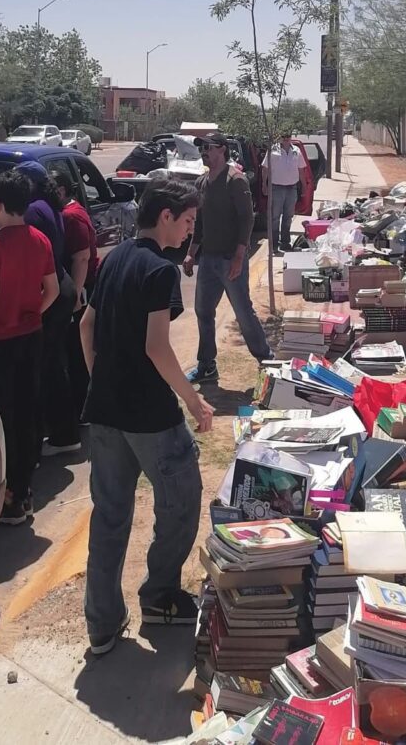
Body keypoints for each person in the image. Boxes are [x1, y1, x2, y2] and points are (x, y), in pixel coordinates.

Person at [80, 179, 213, 656]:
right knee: (181, 502)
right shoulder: (160, 270)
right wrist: (194, 401)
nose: (190, 231)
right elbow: (157, 347)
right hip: (151, 417)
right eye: (188, 221)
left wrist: (102, 380)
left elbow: (86, 326)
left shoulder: (114, 258)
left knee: (109, 516)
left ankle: (101, 625)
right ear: (166, 216)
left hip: (105, 411)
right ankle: (159, 597)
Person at [0, 170, 60, 524]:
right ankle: (23, 491)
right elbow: (53, 291)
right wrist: (33, 312)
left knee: (2, 418)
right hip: (31, 336)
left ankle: (6, 496)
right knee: (27, 412)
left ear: (1, 205)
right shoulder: (40, 240)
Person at [184, 133, 273, 384]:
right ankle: (207, 365)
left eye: (208, 147)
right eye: (201, 148)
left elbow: (247, 219)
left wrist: (239, 256)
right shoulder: (201, 182)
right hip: (208, 260)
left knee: (243, 312)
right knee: (203, 311)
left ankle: (267, 360)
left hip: (230, 260)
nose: (203, 151)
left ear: (222, 149)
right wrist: (191, 253)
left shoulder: (235, 180)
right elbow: (200, 223)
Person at [14, 162, 80, 460]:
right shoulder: (48, 206)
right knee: (55, 363)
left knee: (46, 367)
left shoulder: (32, 211)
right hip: (61, 285)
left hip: (50, 291)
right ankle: (63, 432)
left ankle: (60, 434)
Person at [54, 165, 99, 444]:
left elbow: (82, 257)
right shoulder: (71, 213)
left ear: (61, 190)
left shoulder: (72, 216)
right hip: (80, 290)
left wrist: (76, 297)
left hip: (82, 290)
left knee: (77, 353)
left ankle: (84, 410)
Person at [262, 132, 302, 254]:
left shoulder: (296, 150)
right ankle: (274, 245)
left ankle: (285, 243)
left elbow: (301, 169)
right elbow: (265, 168)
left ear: (291, 137)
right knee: (275, 217)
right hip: (276, 188)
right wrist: (264, 184)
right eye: (283, 136)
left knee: (288, 217)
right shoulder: (273, 150)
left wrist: (304, 186)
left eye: (288, 136)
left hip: (292, 188)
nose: (286, 139)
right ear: (280, 138)